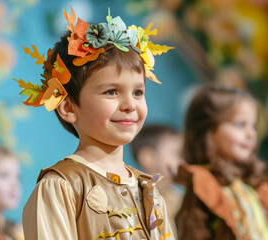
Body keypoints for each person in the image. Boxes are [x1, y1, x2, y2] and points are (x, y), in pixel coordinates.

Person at [16, 6, 174, 240]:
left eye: (138, 92)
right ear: (68, 107)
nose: (130, 104)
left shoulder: (148, 190)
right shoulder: (61, 186)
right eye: (111, 92)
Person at [175, 83, 268, 240]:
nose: (251, 134)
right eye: (240, 125)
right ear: (209, 131)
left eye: (253, 126)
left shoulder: (249, 186)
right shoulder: (203, 185)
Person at [130, 124, 184, 237]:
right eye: (177, 154)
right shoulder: (135, 201)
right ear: (148, 157)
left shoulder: (178, 197)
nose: (183, 162)